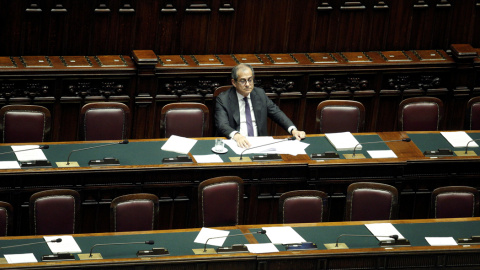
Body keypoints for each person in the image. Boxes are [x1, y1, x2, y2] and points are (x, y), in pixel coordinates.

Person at [215, 63, 306, 148]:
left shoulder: (260, 94)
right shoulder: (223, 99)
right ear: (234, 82)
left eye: (250, 80)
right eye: (243, 81)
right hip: (236, 143)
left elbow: (276, 113)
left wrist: (293, 130)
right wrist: (236, 135)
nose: (247, 84)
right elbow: (222, 124)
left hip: (259, 144)